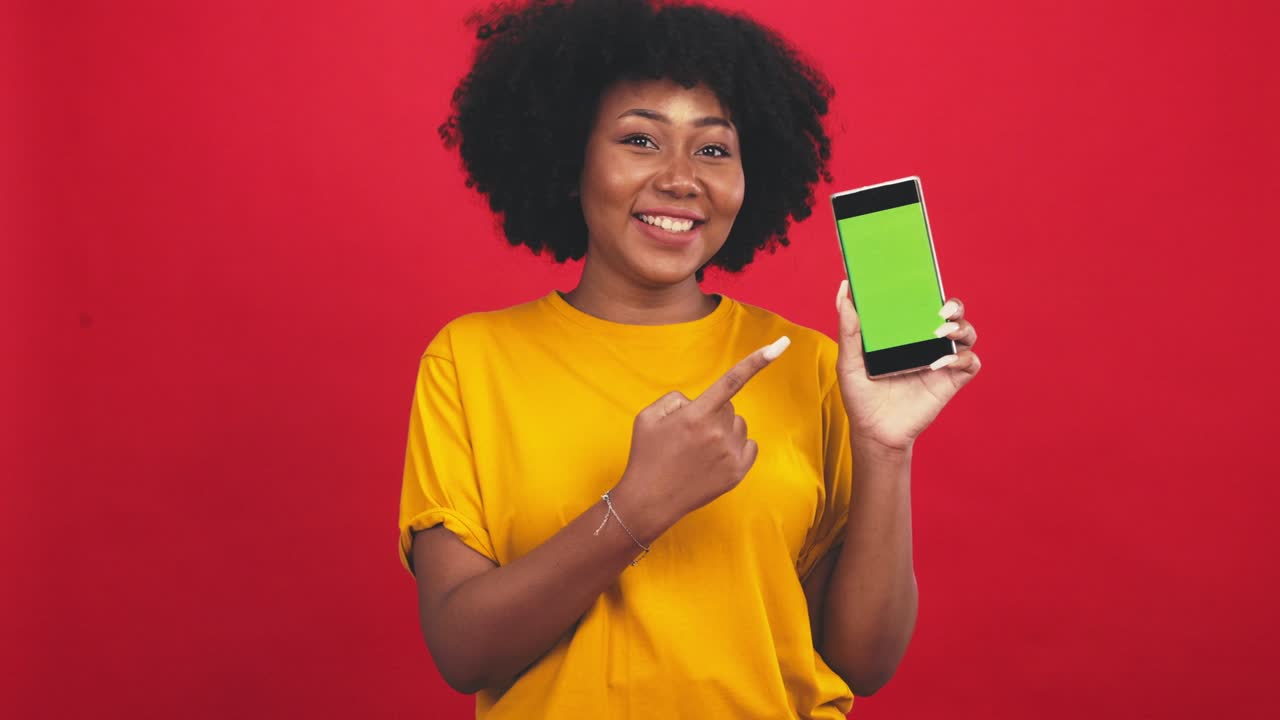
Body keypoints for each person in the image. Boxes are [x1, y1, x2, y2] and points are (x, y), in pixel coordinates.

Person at [397, 1, 981, 717]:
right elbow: (463, 650)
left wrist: (885, 449)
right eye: (640, 141)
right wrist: (639, 506)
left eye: (712, 149)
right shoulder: (471, 360)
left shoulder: (808, 365)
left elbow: (861, 663)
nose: (681, 179)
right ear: (567, 156)